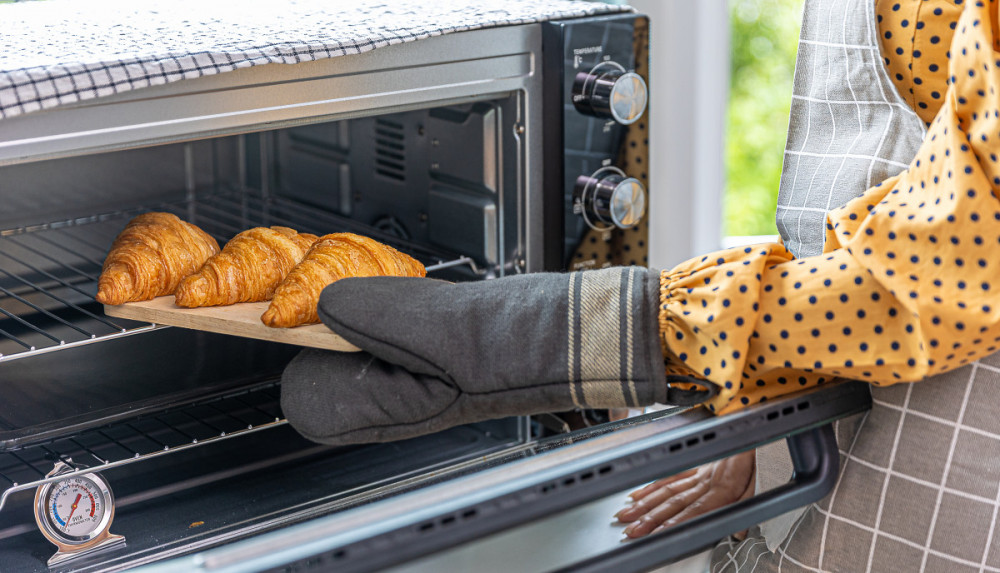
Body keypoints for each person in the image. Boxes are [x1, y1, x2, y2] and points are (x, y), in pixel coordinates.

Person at [280, 0, 1000, 570]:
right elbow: (878, 181)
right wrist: (753, 377)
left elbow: (960, 255)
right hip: (830, 399)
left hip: (958, 450)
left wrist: (556, 333)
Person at [613, 0, 1000, 571]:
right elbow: (880, 174)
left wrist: (659, 326)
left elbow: (969, 246)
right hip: (821, 408)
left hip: (961, 439)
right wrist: (763, 390)